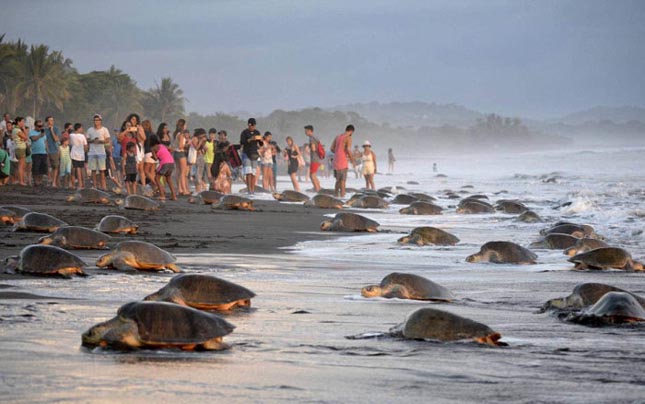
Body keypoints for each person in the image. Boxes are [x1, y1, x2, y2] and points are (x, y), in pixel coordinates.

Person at [330, 124, 355, 198]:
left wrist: (338, 152)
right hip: (343, 161)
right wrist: (352, 160)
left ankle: (335, 195)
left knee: (337, 180)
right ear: (351, 131)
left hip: (336, 160)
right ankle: (342, 196)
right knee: (343, 181)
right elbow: (348, 149)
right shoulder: (348, 138)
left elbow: (331, 148)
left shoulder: (337, 137)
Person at [239, 118, 262, 194]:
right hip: (246, 153)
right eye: (251, 125)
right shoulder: (244, 132)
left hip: (254, 154)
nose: (252, 127)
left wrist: (261, 140)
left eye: (253, 125)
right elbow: (242, 142)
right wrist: (251, 139)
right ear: (248, 125)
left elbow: (261, 144)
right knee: (248, 172)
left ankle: (252, 189)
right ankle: (249, 189)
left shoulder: (257, 132)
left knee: (253, 173)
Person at [29, 119, 48, 186]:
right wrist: (40, 135)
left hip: (43, 152)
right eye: (39, 126)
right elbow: (33, 139)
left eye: (41, 126)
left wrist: (46, 150)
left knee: (42, 167)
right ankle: (36, 181)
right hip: (35, 153)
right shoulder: (32, 132)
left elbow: (45, 142)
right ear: (35, 126)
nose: (40, 127)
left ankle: (40, 181)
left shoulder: (43, 133)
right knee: (36, 167)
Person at [142, 119, 159, 191]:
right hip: (155, 154)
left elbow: (143, 143)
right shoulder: (153, 133)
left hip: (148, 152)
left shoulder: (145, 133)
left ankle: (156, 184)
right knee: (152, 172)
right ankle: (154, 188)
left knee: (145, 171)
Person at [172, 128, 190, 195]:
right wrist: (187, 144)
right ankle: (184, 190)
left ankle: (179, 189)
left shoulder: (177, 134)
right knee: (183, 172)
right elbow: (180, 146)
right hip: (181, 153)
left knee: (178, 172)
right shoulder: (181, 135)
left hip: (176, 153)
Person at [44, 116, 61, 187]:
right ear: (47, 122)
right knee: (48, 167)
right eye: (50, 120)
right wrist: (46, 149)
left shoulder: (56, 129)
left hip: (55, 150)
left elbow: (56, 139)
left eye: (52, 120)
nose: (52, 122)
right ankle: (49, 180)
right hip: (47, 150)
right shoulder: (44, 130)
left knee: (55, 166)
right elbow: (44, 140)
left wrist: (51, 130)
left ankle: (54, 182)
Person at [69, 123, 87, 189]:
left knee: (77, 169)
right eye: (81, 128)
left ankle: (79, 184)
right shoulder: (82, 136)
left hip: (74, 154)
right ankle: (82, 184)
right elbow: (85, 146)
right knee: (81, 169)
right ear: (78, 128)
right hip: (81, 155)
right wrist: (85, 151)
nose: (82, 129)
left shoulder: (71, 135)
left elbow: (70, 143)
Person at [12, 117, 29, 186]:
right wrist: (24, 129)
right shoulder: (17, 130)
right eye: (22, 122)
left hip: (19, 148)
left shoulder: (16, 129)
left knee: (21, 165)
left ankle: (20, 180)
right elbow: (26, 137)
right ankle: (21, 181)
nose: (23, 123)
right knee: (21, 166)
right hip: (20, 149)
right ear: (18, 122)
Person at [305, 125, 322, 192]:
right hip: (317, 158)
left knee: (312, 175)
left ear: (309, 131)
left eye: (306, 131)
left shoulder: (311, 138)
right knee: (313, 174)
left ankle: (317, 189)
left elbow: (313, 148)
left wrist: (308, 150)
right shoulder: (316, 137)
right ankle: (318, 188)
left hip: (314, 158)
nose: (305, 132)